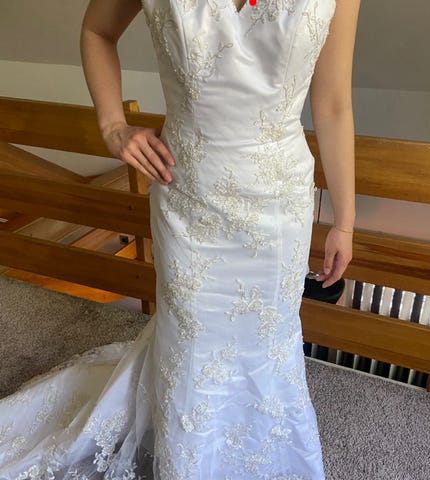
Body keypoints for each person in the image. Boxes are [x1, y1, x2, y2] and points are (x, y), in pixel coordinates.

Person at [0, 0, 359, 478]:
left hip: (277, 206)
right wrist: (112, 126)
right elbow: (97, 31)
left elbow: (332, 104)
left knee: (266, 342)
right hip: (189, 195)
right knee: (192, 342)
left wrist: (344, 222)